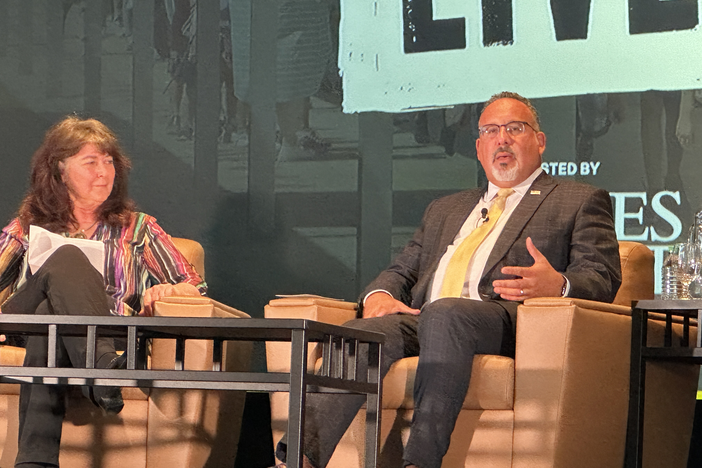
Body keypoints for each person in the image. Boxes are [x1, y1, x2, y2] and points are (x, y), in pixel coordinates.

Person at [274, 92, 622, 468]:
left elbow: (602, 277)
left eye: (514, 129)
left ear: (539, 141)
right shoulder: (446, 208)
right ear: (478, 147)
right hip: (425, 321)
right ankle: (298, 460)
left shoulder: (578, 199)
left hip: (505, 321)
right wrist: (379, 295)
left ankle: (419, 462)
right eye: (490, 131)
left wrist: (559, 285)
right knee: (360, 332)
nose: (501, 139)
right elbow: (401, 270)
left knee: (446, 314)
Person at [0, 116, 206, 468]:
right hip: (21, 328)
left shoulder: (138, 229)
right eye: (90, 162)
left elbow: (196, 288)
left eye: (109, 162)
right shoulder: (27, 225)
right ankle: (102, 370)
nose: (104, 172)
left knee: (50, 315)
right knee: (65, 258)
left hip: (104, 327)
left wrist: (169, 291)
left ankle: (34, 462)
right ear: (60, 171)